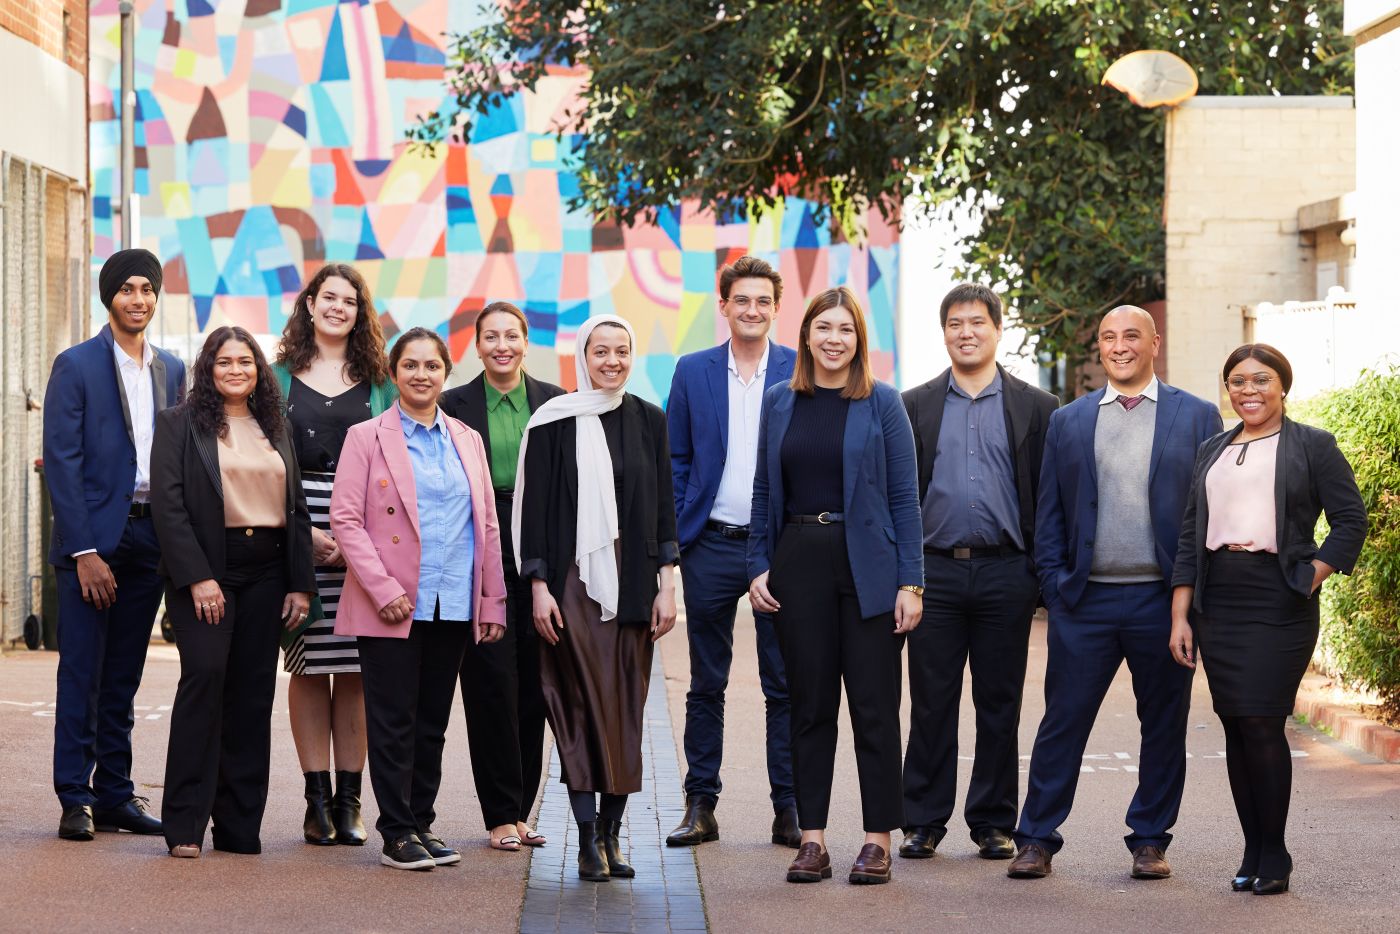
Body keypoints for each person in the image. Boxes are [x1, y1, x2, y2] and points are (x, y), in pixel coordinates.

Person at [1008, 306, 1222, 882]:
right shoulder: (1070, 420)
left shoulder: (1198, 415)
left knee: (1164, 723)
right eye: (1109, 338)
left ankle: (1150, 839)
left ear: (1155, 342)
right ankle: (1036, 838)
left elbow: (1207, 513)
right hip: (1085, 602)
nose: (1120, 346)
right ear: (1099, 348)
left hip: (1164, 601)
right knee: (1063, 722)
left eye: (1131, 336)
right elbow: (1048, 511)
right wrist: (1054, 588)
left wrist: (1193, 599)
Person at [1169, 344, 1366, 895]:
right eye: (1237, 382)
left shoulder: (1312, 445)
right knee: (1235, 723)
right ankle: (1252, 847)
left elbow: (1351, 519)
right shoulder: (1213, 448)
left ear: (1282, 386)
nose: (1248, 390)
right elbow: (1190, 534)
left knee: (1261, 721)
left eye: (1261, 380)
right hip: (1218, 598)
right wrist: (1180, 614)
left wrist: (1313, 573)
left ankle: (1275, 851)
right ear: (1226, 390)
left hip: (1279, 597)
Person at [746, 286, 924, 886]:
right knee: (810, 706)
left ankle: (877, 840)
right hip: (799, 561)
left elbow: (905, 498)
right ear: (806, 337)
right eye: (823, 328)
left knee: (875, 708)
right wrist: (757, 564)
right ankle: (813, 838)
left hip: (869, 565)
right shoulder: (780, 401)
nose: (833, 339)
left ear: (859, 341)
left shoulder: (883, 403)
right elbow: (764, 491)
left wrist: (912, 583)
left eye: (845, 330)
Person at [330, 327, 507, 871]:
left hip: (452, 598)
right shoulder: (367, 437)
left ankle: (422, 823)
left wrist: (492, 601)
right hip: (393, 603)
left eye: (432, 366)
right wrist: (383, 590)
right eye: (411, 365)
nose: (421, 375)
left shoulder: (468, 439)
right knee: (393, 718)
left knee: (433, 719)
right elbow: (346, 520)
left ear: (445, 372)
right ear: (394, 371)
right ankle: (397, 830)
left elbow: (488, 524)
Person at [514, 314, 679, 882]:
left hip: (633, 588)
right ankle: (586, 838)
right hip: (571, 589)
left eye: (622, 351)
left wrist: (668, 585)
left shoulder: (649, 421)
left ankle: (611, 834)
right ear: (582, 356)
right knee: (579, 708)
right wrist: (538, 587)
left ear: (633, 356)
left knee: (625, 711)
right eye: (600, 351)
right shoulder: (553, 422)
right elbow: (533, 513)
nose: (611, 361)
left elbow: (663, 511)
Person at [899, 284, 1058, 862]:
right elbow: (899, 495)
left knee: (1000, 702)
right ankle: (922, 820)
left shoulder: (1037, 408)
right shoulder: (912, 405)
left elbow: (1050, 496)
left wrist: (1041, 577)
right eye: (955, 324)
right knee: (930, 701)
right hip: (932, 574)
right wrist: (905, 577)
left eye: (977, 322)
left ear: (997, 329)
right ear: (943, 333)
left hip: (1006, 573)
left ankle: (993, 821)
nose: (966, 332)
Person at [151, 326, 316, 858]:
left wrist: (300, 583)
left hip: (268, 572)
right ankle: (182, 825)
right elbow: (169, 508)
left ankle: (240, 825)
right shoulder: (179, 425)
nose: (236, 370)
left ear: (259, 370)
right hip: (208, 570)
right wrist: (198, 577)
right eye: (224, 362)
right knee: (205, 679)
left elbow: (296, 509)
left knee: (250, 696)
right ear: (208, 368)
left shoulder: (276, 425)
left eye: (245, 361)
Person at [43, 249, 186, 841]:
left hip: (150, 535)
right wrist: (84, 551)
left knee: (124, 675)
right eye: (127, 289)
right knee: (82, 670)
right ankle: (74, 796)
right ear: (110, 298)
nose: (139, 299)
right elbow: (62, 461)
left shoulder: (172, 368)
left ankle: (115, 795)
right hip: (93, 541)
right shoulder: (75, 365)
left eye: (148, 289)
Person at [665, 256, 800, 850]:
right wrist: (672, 547)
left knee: (785, 683)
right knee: (706, 682)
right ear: (723, 306)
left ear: (776, 307)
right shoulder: (693, 371)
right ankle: (701, 804)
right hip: (710, 545)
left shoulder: (800, 369)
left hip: (781, 549)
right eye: (741, 300)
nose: (752, 310)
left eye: (763, 301)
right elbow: (676, 461)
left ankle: (791, 808)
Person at [272, 263, 396, 847]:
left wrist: (355, 541)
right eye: (329, 297)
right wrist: (303, 535)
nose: (338, 308)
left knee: (355, 671)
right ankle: (314, 800)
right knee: (307, 666)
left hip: (364, 538)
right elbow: (262, 462)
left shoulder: (380, 380)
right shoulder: (276, 377)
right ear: (310, 304)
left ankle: (350, 802)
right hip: (293, 527)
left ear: (360, 312)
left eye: (350, 300)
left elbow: (396, 467)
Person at [440, 302, 564, 852]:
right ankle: (497, 814)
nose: (501, 346)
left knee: (536, 685)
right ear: (477, 343)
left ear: (525, 340)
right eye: (491, 337)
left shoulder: (556, 403)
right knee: (491, 683)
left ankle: (521, 810)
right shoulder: (452, 406)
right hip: (479, 550)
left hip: (541, 550)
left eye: (511, 336)